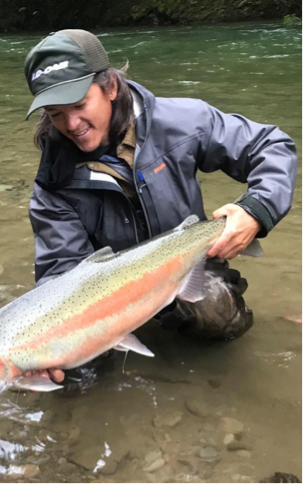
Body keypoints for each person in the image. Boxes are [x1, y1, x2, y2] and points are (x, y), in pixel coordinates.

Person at [23, 30, 297, 382]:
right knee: (76, 373)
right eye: (55, 113)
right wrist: (47, 341)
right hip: (108, 296)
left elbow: (270, 146)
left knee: (221, 321)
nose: (71, 125)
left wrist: (256, 210)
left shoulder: (182, 121)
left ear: (110, 87)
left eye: (79, 105)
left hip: (185, 265)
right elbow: (61, 272)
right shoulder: (53, 181)